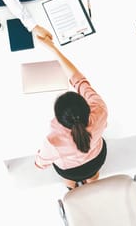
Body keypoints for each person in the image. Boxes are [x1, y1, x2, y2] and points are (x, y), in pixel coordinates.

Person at [35, 36, 108, 190]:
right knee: (93, 175)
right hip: (96, 160)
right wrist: (53, 49)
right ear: (87, 107)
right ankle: (92, 183)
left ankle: (72, 188)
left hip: (71, 171)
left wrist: (37, 160)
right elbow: (80, 81)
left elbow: (41, 163)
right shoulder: (100, 110)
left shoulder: (53, 140)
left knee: (68, 180)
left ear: (60, 120)